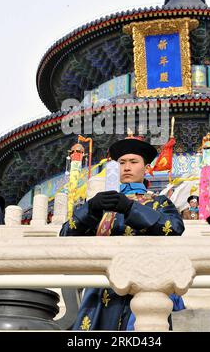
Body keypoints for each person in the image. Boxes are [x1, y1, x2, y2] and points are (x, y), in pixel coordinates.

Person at [59, 136, 185, 331]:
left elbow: (174, 228)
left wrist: (130, 208)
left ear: (146, 168)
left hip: (144, 288)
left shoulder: (159, 203)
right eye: (122, 163)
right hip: (100, 291)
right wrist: (90, 209)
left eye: (134, 162)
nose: (127, 167)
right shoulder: (102, 204)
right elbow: (66, 236)